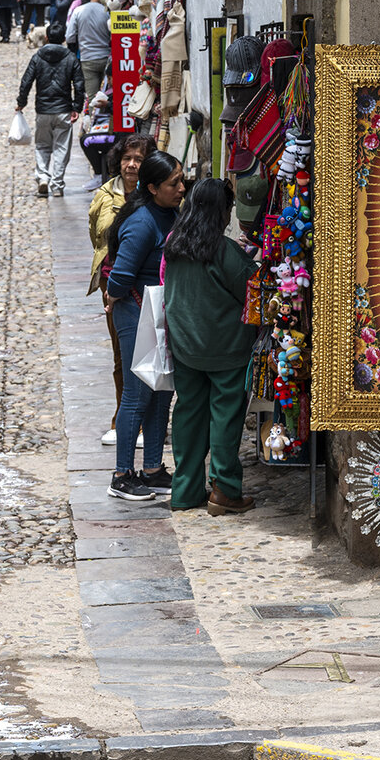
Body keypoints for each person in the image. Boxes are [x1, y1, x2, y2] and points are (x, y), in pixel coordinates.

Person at [161, 179, 259, 515]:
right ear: (222, 210)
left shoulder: (175, 245)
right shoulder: (223, 250)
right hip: (225, 348)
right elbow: (251, 291)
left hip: (185, 345)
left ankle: (185, 490)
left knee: (188, 414)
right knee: (225, 418)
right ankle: (224, 490)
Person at [105, 151, 186, 501]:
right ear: (152, 187)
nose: (182, 188)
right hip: (138, 315)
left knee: (161, 393)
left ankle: (152, 468)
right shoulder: (142, 222)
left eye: (181, 180)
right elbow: (120, 277)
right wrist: (120, 298)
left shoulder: (168, 214)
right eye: (174, 183)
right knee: (137, 397)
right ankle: (122, 474)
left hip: (158, 314)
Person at [89, 134, 150, 446]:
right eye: (127, 158)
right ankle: (122, 417)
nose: (131, 164)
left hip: (147, 283)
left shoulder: (152, 195)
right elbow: (96, 236)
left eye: (138, 159)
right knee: (120, 355)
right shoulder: (104, 195)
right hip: (113, 283)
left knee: (147, 353)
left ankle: (144, 420)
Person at [16, 21, 84, 198]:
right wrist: (77, 106)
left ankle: (43, 177)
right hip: (63, 109)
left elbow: (26, 82)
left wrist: (21, 102)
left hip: (43, 110)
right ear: (63, 39)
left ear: (46, 37)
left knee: (42, 146)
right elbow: (79, 84)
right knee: (62, 148)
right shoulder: (71, 58)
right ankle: (57, 185)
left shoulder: (38, 57)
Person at [68, 0, 112, 102]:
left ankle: (92, 118)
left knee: (92, 98)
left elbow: (69, 37)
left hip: (87, 58)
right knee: (109, 96)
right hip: (106, 58)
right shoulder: (106, 12)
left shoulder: (79, 10)